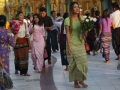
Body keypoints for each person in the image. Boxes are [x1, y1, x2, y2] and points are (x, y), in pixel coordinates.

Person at [64, 2, 88, 88]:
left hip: (80, 43)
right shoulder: (67, 20)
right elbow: (67, 33)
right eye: (75, 7)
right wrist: (69, 47)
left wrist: (86, 31)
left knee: (83, 62)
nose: (77, 9)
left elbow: (84, 34)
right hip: (72, 44)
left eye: (78, 7)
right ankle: (76, 82)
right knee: (74, 64)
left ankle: (81, 80)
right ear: (71, 9)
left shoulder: (82, 19)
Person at [13, 11, 30, 76]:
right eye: (20, 15)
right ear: (18, 16)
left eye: (23, 15)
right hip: (17, 42)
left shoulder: (25, 24)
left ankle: (24, 72)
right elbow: (14, 33)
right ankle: (17, 69)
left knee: (25, 57)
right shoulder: (15, 24)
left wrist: (28, 37)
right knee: (17, 56)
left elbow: (27, 32)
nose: (22, 16)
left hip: (24, 42)